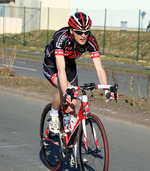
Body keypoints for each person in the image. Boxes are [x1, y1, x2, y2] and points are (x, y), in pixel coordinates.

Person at [43, 12, 116, 134]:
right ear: (71, 31)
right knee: (65, 89)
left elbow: (99, 68)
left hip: (70, 64)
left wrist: (106, 91)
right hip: (53, 64)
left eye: (86, 32)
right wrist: (66, 90)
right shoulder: (61, 37)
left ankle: (69, 139)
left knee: (74, 99)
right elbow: (60, 69)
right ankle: (54, 114)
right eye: (79, 32)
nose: (83, 35)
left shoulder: (90, 40)